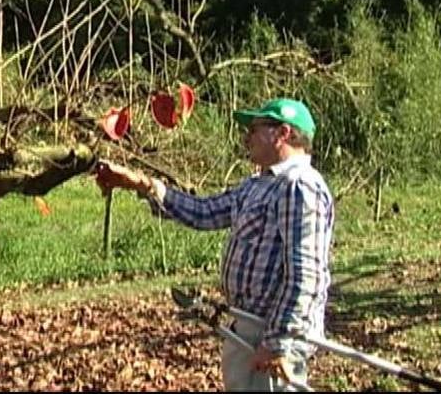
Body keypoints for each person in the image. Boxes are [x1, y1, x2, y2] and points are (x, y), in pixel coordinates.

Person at [94, 97, 335, 392]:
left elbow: (306, 274)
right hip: (246, 326)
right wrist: (143, 184)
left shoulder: (300, 186)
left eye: (255, 129)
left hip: (271, 330)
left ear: (282, 133)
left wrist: (278, 343)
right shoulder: (257, 185)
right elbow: (204, 212)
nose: (247, 137)